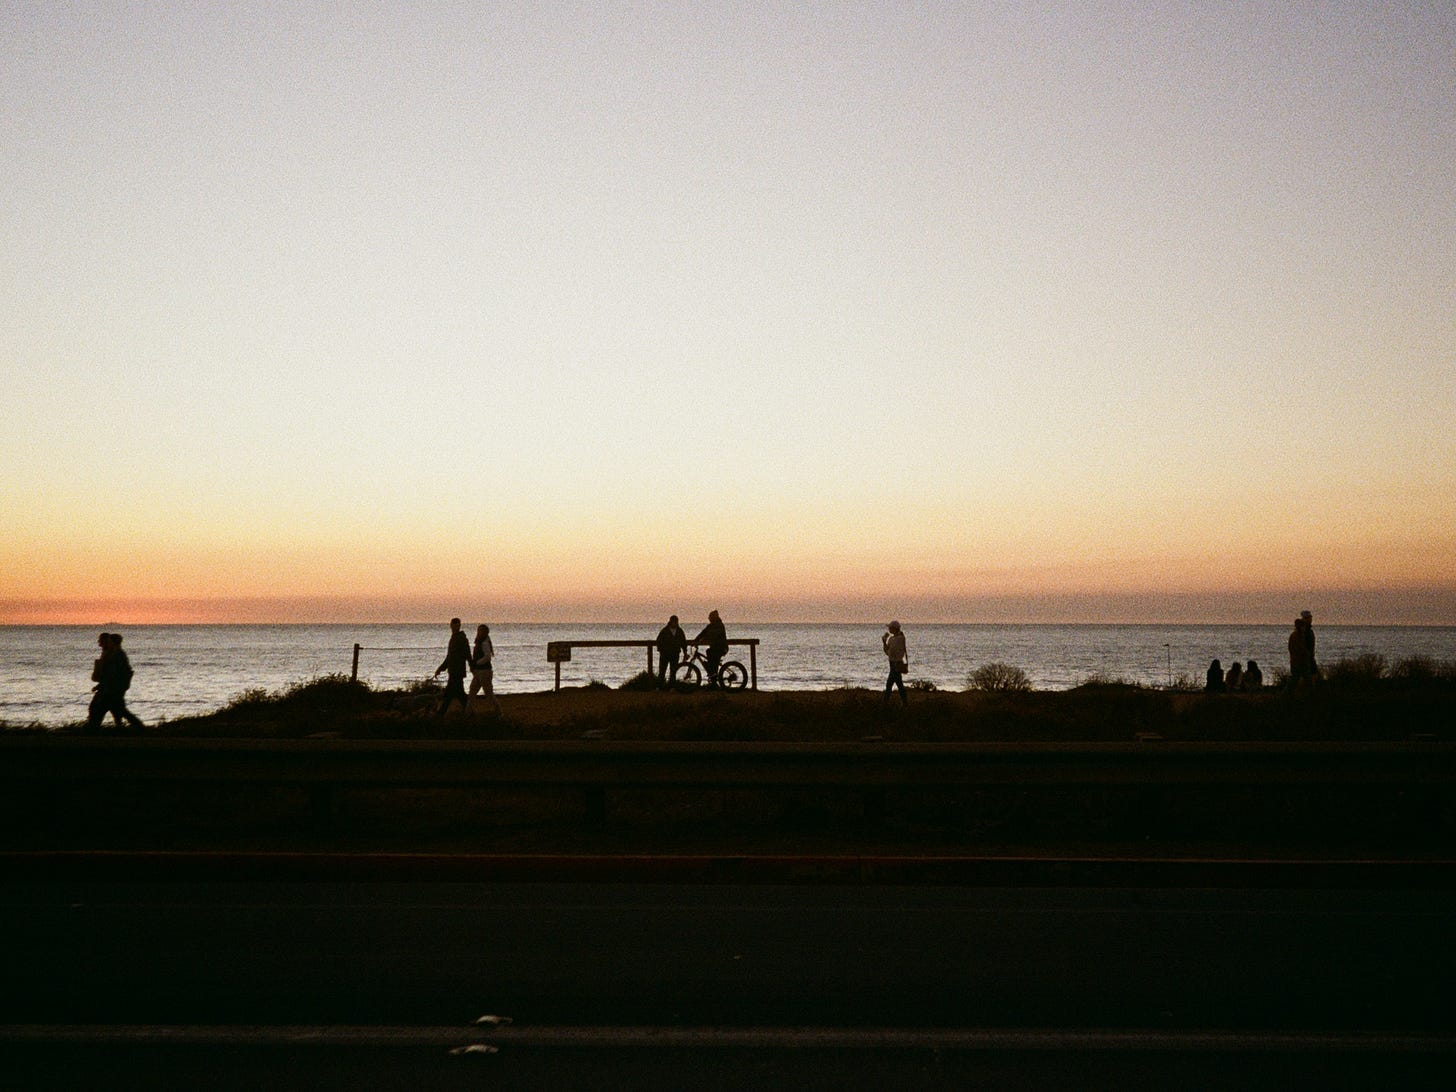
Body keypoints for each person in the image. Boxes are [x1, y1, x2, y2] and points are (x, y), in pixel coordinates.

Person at [87, 632, 144, 732]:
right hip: (112, 688)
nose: (107, 643)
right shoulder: (113, 654)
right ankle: (134, 728)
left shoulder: (118, 655)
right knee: (118, 710)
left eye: (109, 641)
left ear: (113, 642)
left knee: (103, 709)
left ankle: (93, 729)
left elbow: (113, 674)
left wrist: (102, 685)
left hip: (112, 689)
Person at [434, 618, 471, 714]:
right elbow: (449, 656)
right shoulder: (454, 638)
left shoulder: (461, 638)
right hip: (453, 670)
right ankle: (469, 710)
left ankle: (441, 713)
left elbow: (467, 654)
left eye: (456, 625)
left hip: (457, 671)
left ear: (459, 626)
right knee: (458, 693)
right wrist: (441, 668)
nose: (454, 627)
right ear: (451, 625)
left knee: (450, 693)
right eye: (453, 625)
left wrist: (472, 666)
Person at [468, 623, 501, 715]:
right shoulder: (480, 642)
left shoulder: (484, 642)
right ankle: (469, 711)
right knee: (472, 691)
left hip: (484, 671)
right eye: (479, 631)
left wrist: (477, 663)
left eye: (481, 631)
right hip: (479, 671)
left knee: (488, 693)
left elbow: (487, 657)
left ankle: (498, 711)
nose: (479, 633)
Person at [695, 610, 728, 687]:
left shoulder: (719, 625)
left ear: (713, 618)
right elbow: (703, 632)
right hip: (714, 647)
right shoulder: (710, 625)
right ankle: (713, 680)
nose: (709, 618)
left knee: (710, 654)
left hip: (721, 648)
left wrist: (703, 639)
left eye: (710, 617)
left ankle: (713, 678)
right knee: (711, 657)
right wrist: (696, 640)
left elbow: (713, 634)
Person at [655, 615, 687, 689]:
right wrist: (661, 650)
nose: (675, 623)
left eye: (676, 621)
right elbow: (659, 641)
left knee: (673, 671)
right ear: (670, 621)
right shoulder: (665, 630)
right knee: (662, 671)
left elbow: (683, 642)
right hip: (665, 654)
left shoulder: (679, 631)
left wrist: (685, 652)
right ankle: (660, 687)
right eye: (674, 621)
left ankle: (672, 687)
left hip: (675, 653)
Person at [882, 620, 908, 704]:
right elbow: (888, 652)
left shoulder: (898, 639)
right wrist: (884, 642)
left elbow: (890, 652)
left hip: (895, 664)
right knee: (898, 684)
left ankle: (886, 702)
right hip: (894, 663)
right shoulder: (895, 638)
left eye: (890, 628)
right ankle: (904, 702)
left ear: (894, 628)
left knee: (890, 684)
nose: (889, 629)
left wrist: (885, 643)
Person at [1288, 615, 1316, 689]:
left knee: (1295, 679)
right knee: (1304, 679)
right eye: (1303, 626)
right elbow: (1300, 648)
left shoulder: (1296, 635)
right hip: (1301, 662)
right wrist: (1307, 655)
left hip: (1297, 661)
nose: (1304, 628)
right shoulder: (1298, 636)